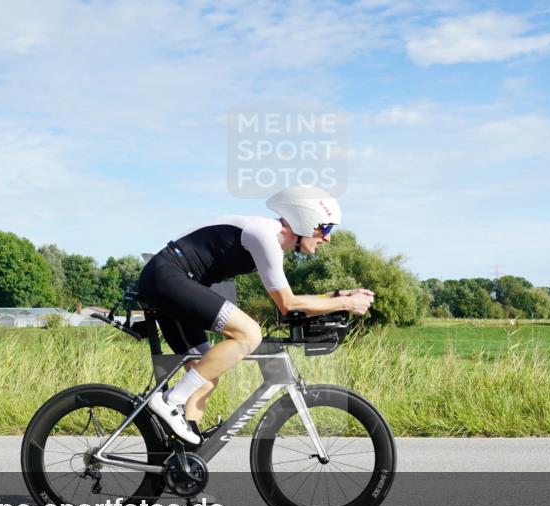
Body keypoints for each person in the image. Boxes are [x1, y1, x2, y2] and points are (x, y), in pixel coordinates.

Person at [136, 185, 374, 445]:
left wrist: (341, 295)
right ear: (306, 221)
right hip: (168, 277)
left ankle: (182, 459)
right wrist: (347, 304)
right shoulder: (263, 235)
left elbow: (290, 298)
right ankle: (170, 401)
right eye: (325, 228)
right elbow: (289, 304)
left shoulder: (268, 239)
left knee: (205, 377)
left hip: (171, 282)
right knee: (248, 333)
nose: (327, 238)